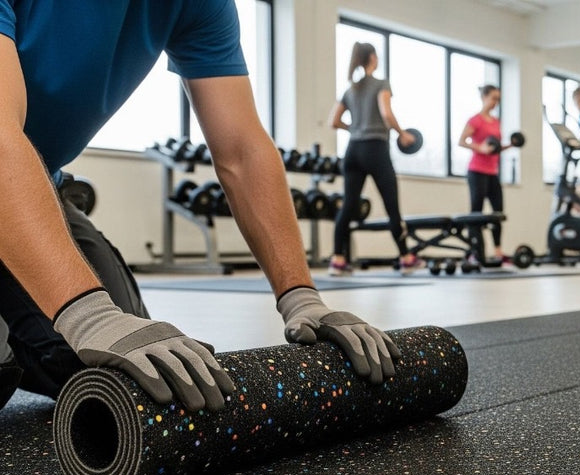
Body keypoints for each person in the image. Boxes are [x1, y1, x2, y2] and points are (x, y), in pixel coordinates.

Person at [0, 2, 398, 418]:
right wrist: (87, 315)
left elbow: (242, 151)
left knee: (132, 372)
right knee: (73, 333)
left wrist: (301, 297)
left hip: (40, 183)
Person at [329, 43, 421, 275]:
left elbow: (334, 121)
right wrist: (403, 134)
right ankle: (406, 257)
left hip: (352, 151)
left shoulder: (351, 89)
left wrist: (355, 128)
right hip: (375, 149)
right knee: (392, 206)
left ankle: (338, 260)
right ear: (372, 57)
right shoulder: (381, 84)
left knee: (348, 206)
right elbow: (386, 113)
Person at [458, 85, 508, 265]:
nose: (496, 102)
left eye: (498, 99)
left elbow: (496, 147)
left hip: (492, 172)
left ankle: (498, 252)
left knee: (497, 213)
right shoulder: (476, 120)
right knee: (476, 214)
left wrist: (511, 145)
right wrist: (480, 148)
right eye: (493, 98)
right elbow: (461, 141)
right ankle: (476, 252)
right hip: (477, 171)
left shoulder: (496, 122)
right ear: (484, 97)